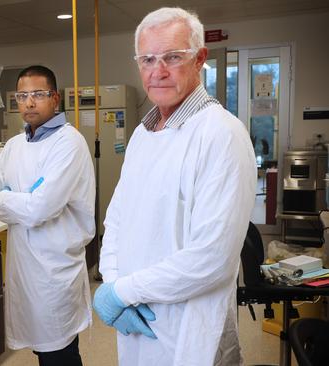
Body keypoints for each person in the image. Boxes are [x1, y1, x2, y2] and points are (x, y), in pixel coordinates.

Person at [93, 7, 257, 366]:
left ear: (200, 59)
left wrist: (120, 291)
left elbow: (210, 259)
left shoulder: (220, 134)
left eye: (172, 57)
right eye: (148, 59)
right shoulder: (141, 134)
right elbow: (118, 218)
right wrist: (112, 279)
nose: (158, 71)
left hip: (190, 327)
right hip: (135, 317)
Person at [0, 65, 95, 366]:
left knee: (60, 354)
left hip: (54, 269)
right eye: (22, 95)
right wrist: (23, 201)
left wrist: (10, 198)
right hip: (23, 266)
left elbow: (40, 209)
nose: (29, 102)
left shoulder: (69, 142)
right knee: (42, 352)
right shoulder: (14, 145)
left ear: (55, 98)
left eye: (38, 94)